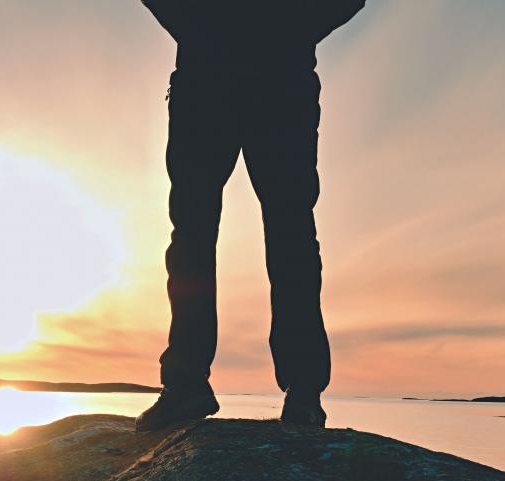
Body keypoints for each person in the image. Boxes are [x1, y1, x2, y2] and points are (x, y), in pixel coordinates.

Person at [136, 0, 366, 432]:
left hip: (277, 84)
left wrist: (293, 33)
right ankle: (190, 385)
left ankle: (302, 393)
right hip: (214, 84)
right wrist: (196, 31)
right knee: (198, 236)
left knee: (287, 235)